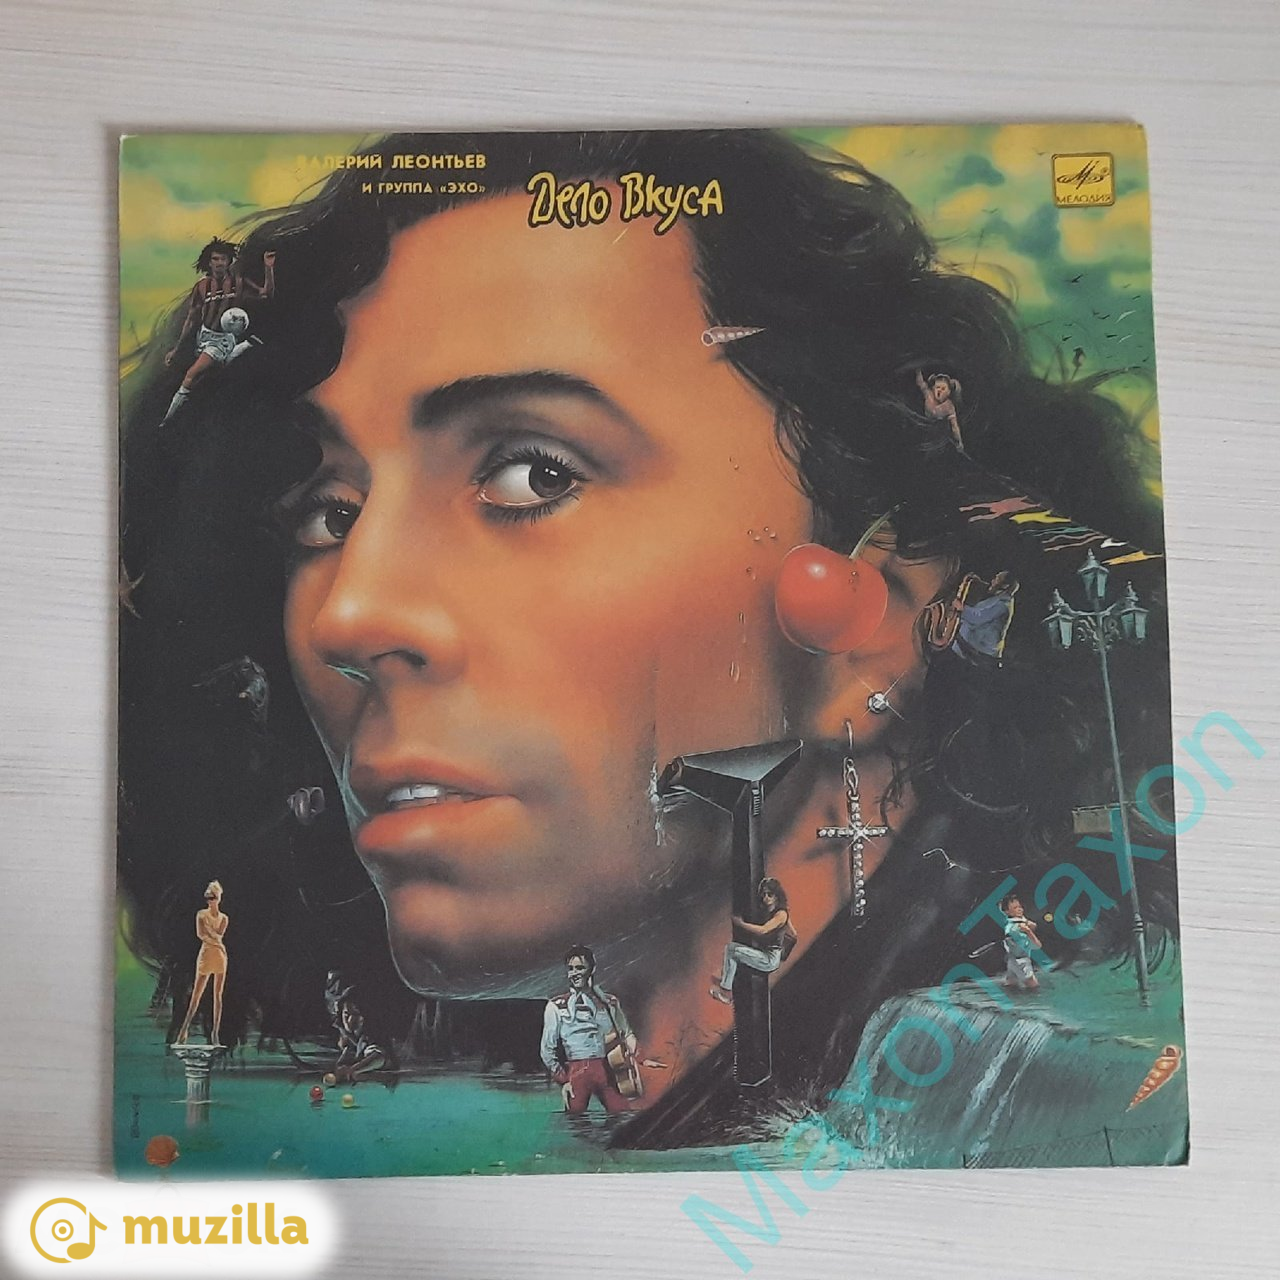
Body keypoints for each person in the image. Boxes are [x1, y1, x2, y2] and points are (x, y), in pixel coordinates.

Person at [119, 130, 1178, 1149]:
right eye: (330, 513)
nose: (350, 616)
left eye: (533, 472)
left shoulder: (1021, 1112)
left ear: (885, 617)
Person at [160, 239, 276, 423]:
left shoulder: (239, 282)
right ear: (209, 262)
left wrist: (268, 268)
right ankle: (242, 347)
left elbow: (266, 294)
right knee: (211, 373)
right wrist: (176, 349)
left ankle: (167, 421)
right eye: (215, 259)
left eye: (223, 259)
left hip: (222, 339)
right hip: (204, 336)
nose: (220, 263)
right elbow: (191, 318)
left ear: (229, 261)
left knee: (191, 374)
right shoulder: (201, 287)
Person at [540, 946, 638, 1115]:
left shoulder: (609, 1002)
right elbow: (547, 1050)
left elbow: (627, 1034)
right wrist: (563, 1081)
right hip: (576, 1073)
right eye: (571, 969)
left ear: (591, 969)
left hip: (607, 1070)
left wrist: (638, 1058)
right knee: (575, 1121)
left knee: (623, 1115)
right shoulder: (556, 1006)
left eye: (580, 968)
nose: (574, 973)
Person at [710, 878, 792, 1005]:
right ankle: (726, 978)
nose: (766, 898)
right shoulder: (769, 910)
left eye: (770, 894)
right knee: (731, 948)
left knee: (733, 952)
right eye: (763, 894)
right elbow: (794, 934)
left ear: (777, 895)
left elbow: (763, 930)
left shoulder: (781, 914)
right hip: (764, 953)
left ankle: (726, 992)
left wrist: (740, 924)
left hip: (769, 958)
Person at [174, 880, 229, 1045]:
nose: (210, 901)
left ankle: (215, 1034)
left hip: (219, 956)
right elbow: (201, 935)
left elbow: (218, 935)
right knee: (196, 995)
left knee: (218, 996)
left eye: (213, 897)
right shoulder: (201, 915)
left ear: (219, 898)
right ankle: (183, 1031)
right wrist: (215, 940)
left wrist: (214, 938)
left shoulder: (224, 918)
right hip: (206, 955)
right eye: (208, 897)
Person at [1001, 894, 1043, 992]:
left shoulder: (1016, 921)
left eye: (1020, 906)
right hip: (1021, 962)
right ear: (1007, 912)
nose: (1019, 909)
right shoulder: (1015, 930)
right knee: (1034, 987)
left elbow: (1033, 925)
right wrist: (1028, 932)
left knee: (1011, 985)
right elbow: (1037, 945)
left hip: (1011, 960)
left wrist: (1028, 924)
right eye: (1015, 908)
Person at [915, 368, 964, 451]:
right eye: (937, 387)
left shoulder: (949, 407)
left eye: (943, 388)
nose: (939, 390)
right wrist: (918, 371)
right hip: (922, 419)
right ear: (933, 388)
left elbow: (954, 426)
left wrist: (959, 441)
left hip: (937, 427)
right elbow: (920, 383)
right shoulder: (928, 395)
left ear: (948, 392)